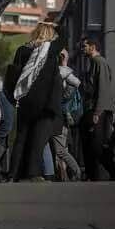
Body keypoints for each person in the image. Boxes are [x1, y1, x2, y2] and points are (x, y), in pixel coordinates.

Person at [5, 22, 65, 182]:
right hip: (44, 105)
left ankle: (13, 174)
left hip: (25, 102)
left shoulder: (22, 51)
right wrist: (56, 25)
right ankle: (32, 173)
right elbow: (64, 37)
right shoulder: (50, 52)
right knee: (38, 141)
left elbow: (14, 74)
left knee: (21, 139)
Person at [80, 36, 115, 181]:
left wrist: (97, 111)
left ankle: (112, 172)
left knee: (97, 146)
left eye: (84, 46)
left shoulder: (98, 62)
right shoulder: (94, 62)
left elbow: (102, 88)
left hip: (98, 110)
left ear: (93, 47)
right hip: (95, 109)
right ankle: (93, 174)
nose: (82, 49)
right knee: (91, 144)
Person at [49, 49, 83, 182]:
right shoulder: (64, 75)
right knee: (61, 149)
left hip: (61, 117)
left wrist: (64, 63)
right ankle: (66, 175)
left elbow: (76, 82)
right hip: (63, 117)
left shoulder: (61, 73)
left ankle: (76, 171)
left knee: (60, 150)